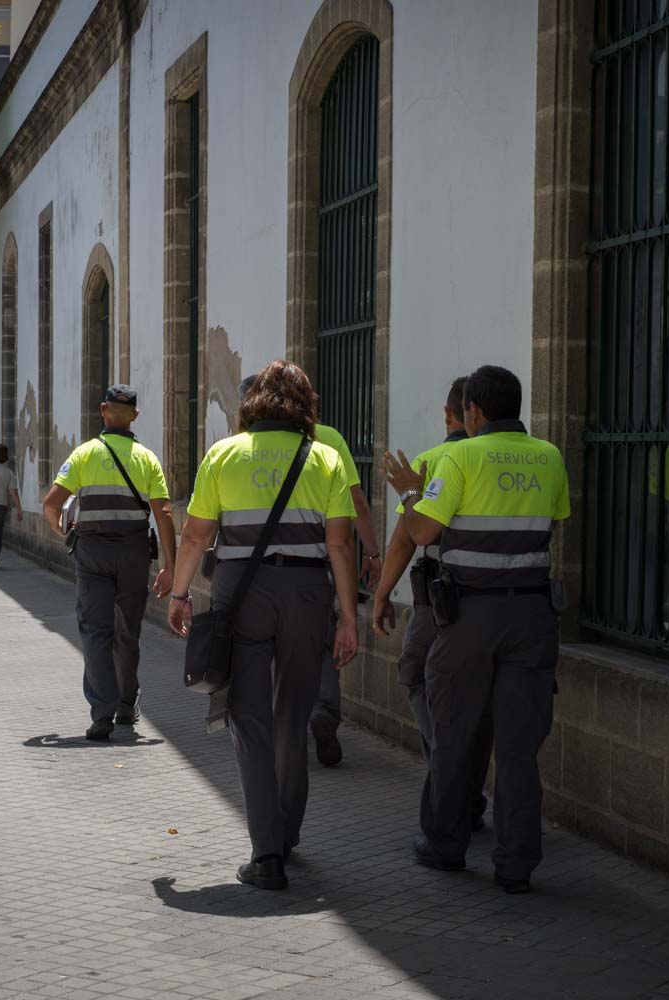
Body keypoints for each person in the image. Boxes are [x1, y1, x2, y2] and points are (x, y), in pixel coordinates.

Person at [171, 361, 360, 890]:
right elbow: (340, 545)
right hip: (306, 594)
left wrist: (181, 594)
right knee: (292, 715)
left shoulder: (224, 454)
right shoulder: (325, 458)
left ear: (253, 404)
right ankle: (288, 833)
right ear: (304, 405)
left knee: (248, 718)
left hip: (243, 594)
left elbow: (195, 536)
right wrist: (348, 617)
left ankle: (266, 852)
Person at [382, 365, 570, 894]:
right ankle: (516, 864)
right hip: (533, 618)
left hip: (469, 617)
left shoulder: (461, 455)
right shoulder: (550, 456)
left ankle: (444, 845)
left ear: (473, 412)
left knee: (457, 734)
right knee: (517, 745)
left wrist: (409, 492)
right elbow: (552, 521)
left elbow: (420, 532)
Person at [234, 375, 381, 769]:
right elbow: (357, 503)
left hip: (254, 572)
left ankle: (280, 725)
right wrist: (373, 551)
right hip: (319, 565)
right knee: (320, 639)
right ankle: (322, 712)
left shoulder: (238, 448)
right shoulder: (329, 439)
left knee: (266, 648)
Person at [372, 376, 491, 833]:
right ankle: (468, 789)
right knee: (478, 701)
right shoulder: (501, 460)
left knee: (414, 673)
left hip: (439, 600)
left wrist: (382, 594)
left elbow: (406, 539)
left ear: (450, 415)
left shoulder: (433, 460)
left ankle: (449, 773)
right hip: (498, 603)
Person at [42, 385, 177, 739]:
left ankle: (101, 712)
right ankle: (127, 705)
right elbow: (163, 513)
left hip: (92, 553)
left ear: (104, 411)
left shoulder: (84, 454)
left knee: (96, 632)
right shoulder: (147, 458)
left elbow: (51, 504)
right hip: (134, 553)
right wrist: (171, 565)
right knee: (127, 633)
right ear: (135, 414)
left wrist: (65, 534)